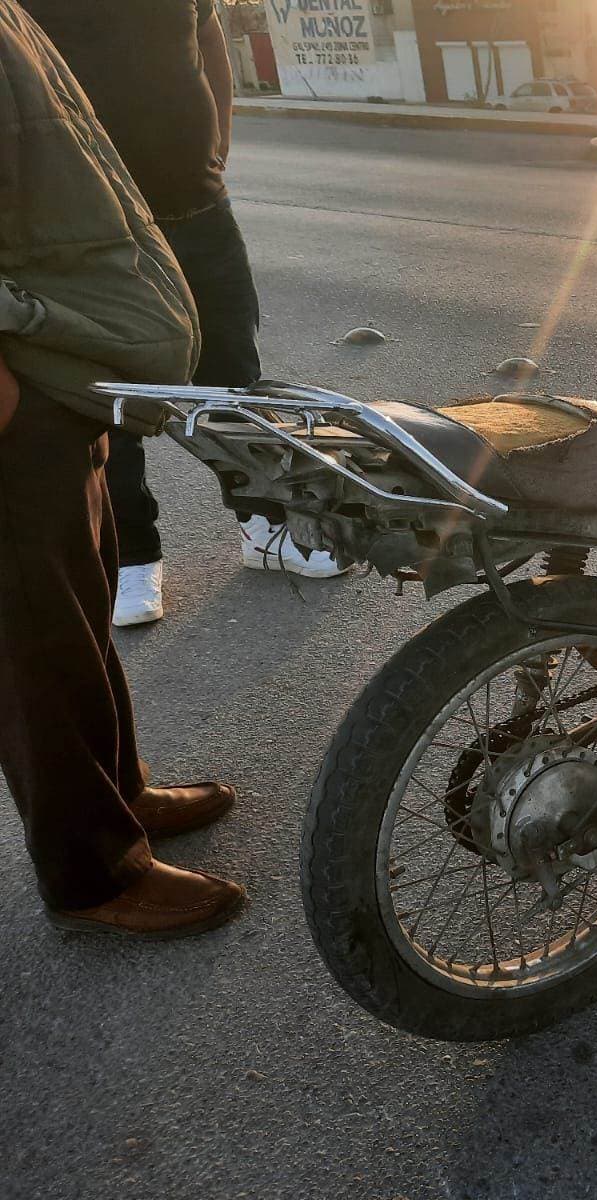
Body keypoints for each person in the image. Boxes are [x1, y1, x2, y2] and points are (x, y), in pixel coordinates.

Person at [1, 0, 245, 936]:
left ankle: (119, 791)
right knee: (35, 634)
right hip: (21, 366)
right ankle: (93, 872)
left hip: (56, 345)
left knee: (81, 596)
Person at [19, 0, 347, 629]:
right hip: (91, 231)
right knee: (110, 395)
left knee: (232, 377)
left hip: (197, 210)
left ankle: (265, 527)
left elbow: (208, 33)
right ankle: (132, 559)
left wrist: (217, 140)